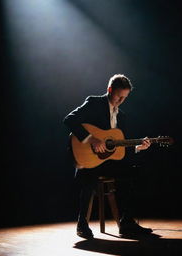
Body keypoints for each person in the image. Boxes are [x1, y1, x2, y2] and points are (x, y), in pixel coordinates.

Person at [63, 74, 152, 238]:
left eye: (125, 97)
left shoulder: (122, 116)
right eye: (119, 96)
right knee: (89, 175)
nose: (121, 101)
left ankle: (127, 224)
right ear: (110, 90)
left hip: (108, 162)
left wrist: (138, 147)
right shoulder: (94, 103)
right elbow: (70, 119)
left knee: (133, 172)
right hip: (88, 159)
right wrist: (92, 139)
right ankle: (82, 224)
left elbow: (119, 147)